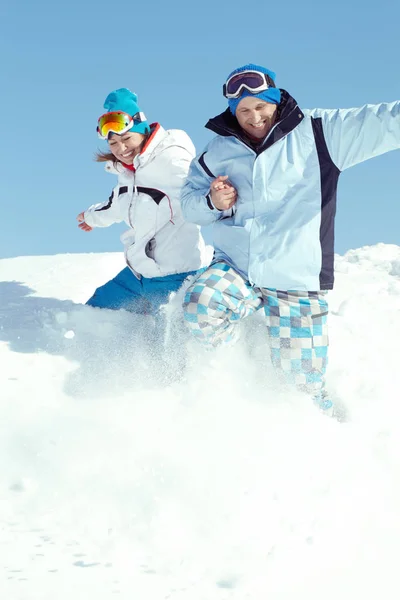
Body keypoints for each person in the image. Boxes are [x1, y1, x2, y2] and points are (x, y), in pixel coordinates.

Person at [180, 63, 400, 414]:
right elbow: (189, 205)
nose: (253, 118)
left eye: (260, 107)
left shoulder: (320, 131)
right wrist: (212, 202)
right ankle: (235, 375)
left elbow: (385, 120)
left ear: (276, 100)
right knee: (200, 307)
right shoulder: (218, 150)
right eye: (243, 111)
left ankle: (328, 435)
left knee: (303, 387)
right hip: (239, 265)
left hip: (296, 277)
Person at [77, 88, 213, 333]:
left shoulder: (172, 160)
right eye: (114, 143)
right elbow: (117, 204)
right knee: (93, 314)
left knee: (170, 351)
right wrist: (91, 218)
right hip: (137, 275)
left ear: (142, 131)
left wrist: (218, 197)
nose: (121, 148)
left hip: (175, 275)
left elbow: (198, 191)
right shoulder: (128, 172)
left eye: (127, 139)